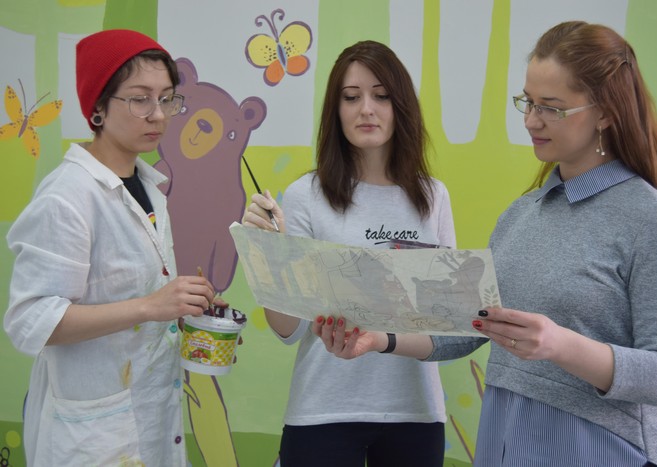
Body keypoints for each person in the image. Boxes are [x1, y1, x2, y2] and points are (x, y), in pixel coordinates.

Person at [310, 21, 657, 467]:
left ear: (606, 113)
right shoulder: (521, 215)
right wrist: (379, 339)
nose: (531, 120)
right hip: (503, 442)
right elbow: (466, 326)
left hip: (600, 450)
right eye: (528, 102)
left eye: (551, 107)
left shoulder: (652, 221)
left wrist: (559, 345)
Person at [4, 29, 217, 466]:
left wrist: (182, 307)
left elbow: (134, 296)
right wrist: (150, 306)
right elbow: (31, 321)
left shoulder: (149, 189)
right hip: (93, 437)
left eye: (167, 99)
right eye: (140, 99)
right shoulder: (67, 196)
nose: (157, 115)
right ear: (98, 107)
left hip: (150, 417)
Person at [243, 40, 456, 467]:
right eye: (351, 97)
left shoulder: (433, 196)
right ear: (335, 110)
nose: (366, 109)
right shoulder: (306, 195)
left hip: (415, 411)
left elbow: (445, 319)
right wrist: (271, 254)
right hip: (323, 410)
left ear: (401, 106)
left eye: (381, 96)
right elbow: (288, 331)